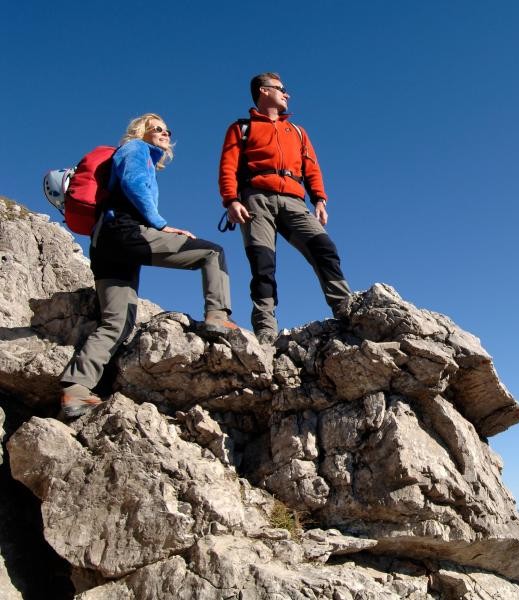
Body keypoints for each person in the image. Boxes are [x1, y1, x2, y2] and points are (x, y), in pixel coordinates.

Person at [60, 113, 238, 419]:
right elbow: (134, 182)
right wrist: (160, 225)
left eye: (168, 130)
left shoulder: (134, 153)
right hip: (124, 232)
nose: (165, 133)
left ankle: (75, 390)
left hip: (104, 243)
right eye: (157, 129)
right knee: (211, 253)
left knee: (116, 323)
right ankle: (217, 316)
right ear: (142, 132)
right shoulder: (135, 149)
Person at [218, 72, 351, 345]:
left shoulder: (298, 132)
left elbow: (311, 167)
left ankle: (344, 308)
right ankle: (266, 328)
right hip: (255, 199)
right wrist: (231, 200)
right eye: (281, 89)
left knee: (324, 248)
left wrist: (320, 200)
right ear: (264, 91)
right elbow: (228, 166)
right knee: (262, 264)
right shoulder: (241, 128)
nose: (286, 94)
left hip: (294, 199)